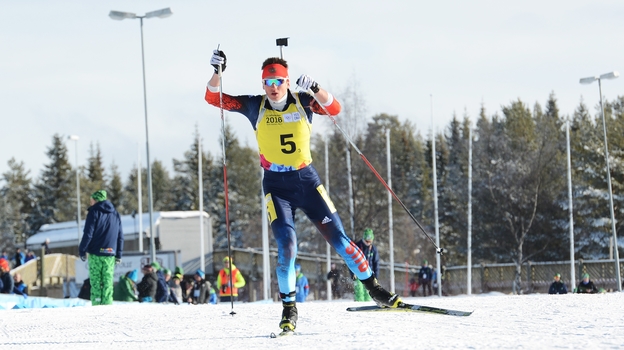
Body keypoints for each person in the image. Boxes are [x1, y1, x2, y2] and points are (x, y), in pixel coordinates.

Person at [205, 51, 400, 332]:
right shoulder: (254, 106)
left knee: (342, 241)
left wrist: (315, 87)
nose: (274, 86)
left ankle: (375, 289)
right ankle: (289, 308)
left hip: (307, 182)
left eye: (279, 80)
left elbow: (335, 109)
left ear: (287, 81)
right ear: (263, 84)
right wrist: (217, 73)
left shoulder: (303, 101)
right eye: (268, 81)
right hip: (276, 187)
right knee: (287, 246)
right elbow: (214, 98)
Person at [79, 190, 124, 306]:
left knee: (96, 281)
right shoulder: (115, 214)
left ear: (96, 200)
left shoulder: (93, 212)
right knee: (108, 281)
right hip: (110, 254)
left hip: (95, 253)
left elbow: (88, 233)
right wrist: (119, 254)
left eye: (91, 200)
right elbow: (120, 236)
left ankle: (97, 304)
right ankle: (107, 304)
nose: (90, 203)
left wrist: (82, 249)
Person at [351, 229, 380, 302]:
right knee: (359, 290)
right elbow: (351, 261)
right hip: (358, 272)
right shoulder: (357, 246)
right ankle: (358, 303)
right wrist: (352, 273)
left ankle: (367, 305)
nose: (368, 243)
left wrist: (376, 276)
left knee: (368, 291)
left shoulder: (373, 249)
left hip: (369, 273)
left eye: (370, 241)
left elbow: (376, 262)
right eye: (367, 241)